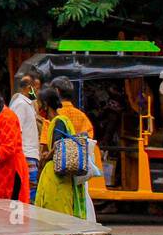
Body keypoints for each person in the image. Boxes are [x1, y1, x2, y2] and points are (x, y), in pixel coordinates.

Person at [35, 86, 87, 218]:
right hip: (61, 175)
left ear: (46, 105)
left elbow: (58, 145)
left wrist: (46, 157)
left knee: (54, 213)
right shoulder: (61, 120)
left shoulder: (58, 122)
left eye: (39, 103)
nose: (38, 106)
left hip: (55, 176)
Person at [51, 75, 99, 218]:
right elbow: (89, 141)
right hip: (78, 168)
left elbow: (47, 143)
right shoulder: (81, 116)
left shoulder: (55, 116)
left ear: (57, 91)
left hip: (57, 169)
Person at [10, 68, 41, 196]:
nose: (37, 91)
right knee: (29, 193)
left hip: (30, 155)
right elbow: (17, 132)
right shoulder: (21, 105)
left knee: (31, 191)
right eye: (36, 88)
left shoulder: (27, 104)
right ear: (29, 87)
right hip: (26, 155)